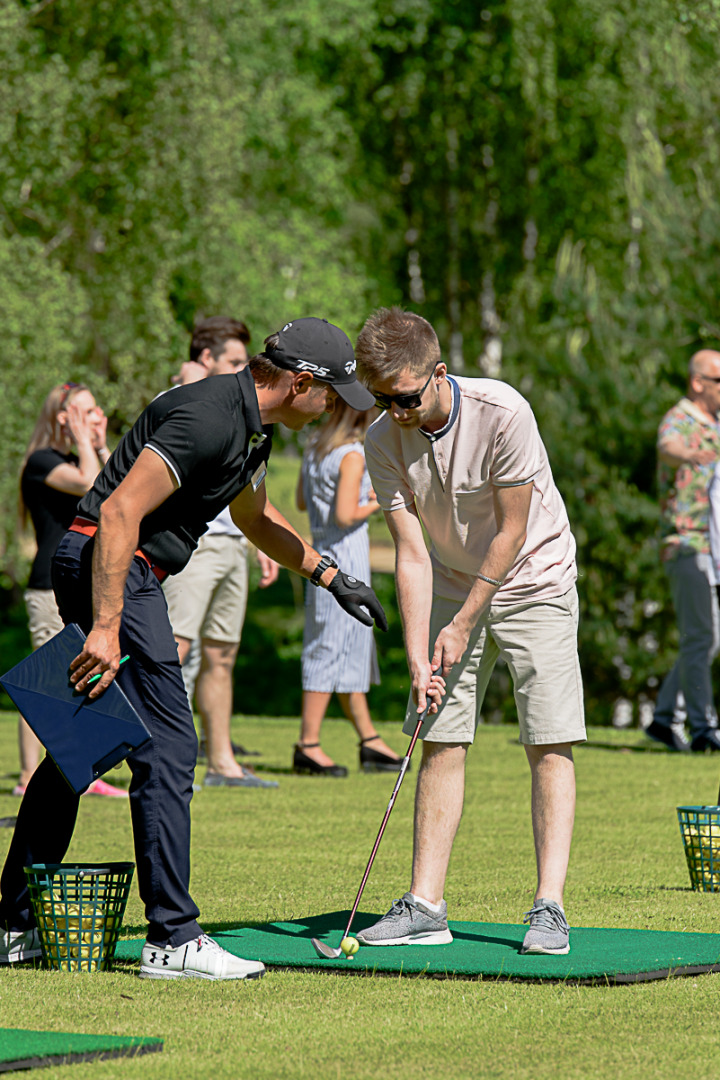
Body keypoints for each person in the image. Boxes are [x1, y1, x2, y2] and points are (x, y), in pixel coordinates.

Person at [0, 317, 386, 977]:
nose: (332, 408)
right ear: (299, 383)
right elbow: (119, 512)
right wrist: (104, 624)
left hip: (108, 566)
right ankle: (172, 938)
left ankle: (12, 924)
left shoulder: (251, 432)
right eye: (329, 394)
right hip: (114, 566)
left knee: (80, 746)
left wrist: (329, 575)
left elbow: (254, 520)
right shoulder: (209, 416)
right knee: (170, 746)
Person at [353, 307, 585, 956]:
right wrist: (418, 653)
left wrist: (462, 622)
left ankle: (549, 908)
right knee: (440, 736)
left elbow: (512, 530)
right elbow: (410, 552)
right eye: (379, 399)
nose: (394, 411)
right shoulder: (380, 440)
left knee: (549, 738)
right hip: (450, 579)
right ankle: (425, 905)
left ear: (438, 374)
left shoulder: (503, 411)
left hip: (534, 576)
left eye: (403, 397)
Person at [161, 317, 280, 788]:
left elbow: (251, 493)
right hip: (194, 544)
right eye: (233, 362)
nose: (243, 372)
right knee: (175, 648)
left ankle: (222, 762)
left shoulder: (248, 420)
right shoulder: (185, 406)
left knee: (222, 655)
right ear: (203, 360)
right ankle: (161, 753)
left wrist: (261, 542)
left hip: (232, 542)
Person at [15, 381, 125, 800]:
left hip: (79, 581)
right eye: (86, 411)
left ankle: (79, 767)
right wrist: (84, 441)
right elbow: (90, 486)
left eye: (97, 410)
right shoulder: (43, 461)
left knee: (77, 676)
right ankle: (29, 774)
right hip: (47, 585)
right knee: (43, 682)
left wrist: (99, 444)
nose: (96, 417)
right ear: (62, 417)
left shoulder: (80, 457)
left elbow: (121, 490)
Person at [293, 400, 402, 776]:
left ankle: (369, 740)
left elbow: (301, 502)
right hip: (347, 559)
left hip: (319, 556)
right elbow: (345, 514)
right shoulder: (353, 454)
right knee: (329, 650)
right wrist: (376, 502)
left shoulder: (315, 445)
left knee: (347, 647)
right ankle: (308, 744)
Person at [649, 350, 720, 753]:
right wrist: (689, 454)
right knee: (703, 637)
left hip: (713, 545)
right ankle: (704, 728)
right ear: (698, 383)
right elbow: (667, 446)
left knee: (704, 639)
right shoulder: (681, 418)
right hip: (687, 541)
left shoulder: (716, 423)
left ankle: (663, 718)